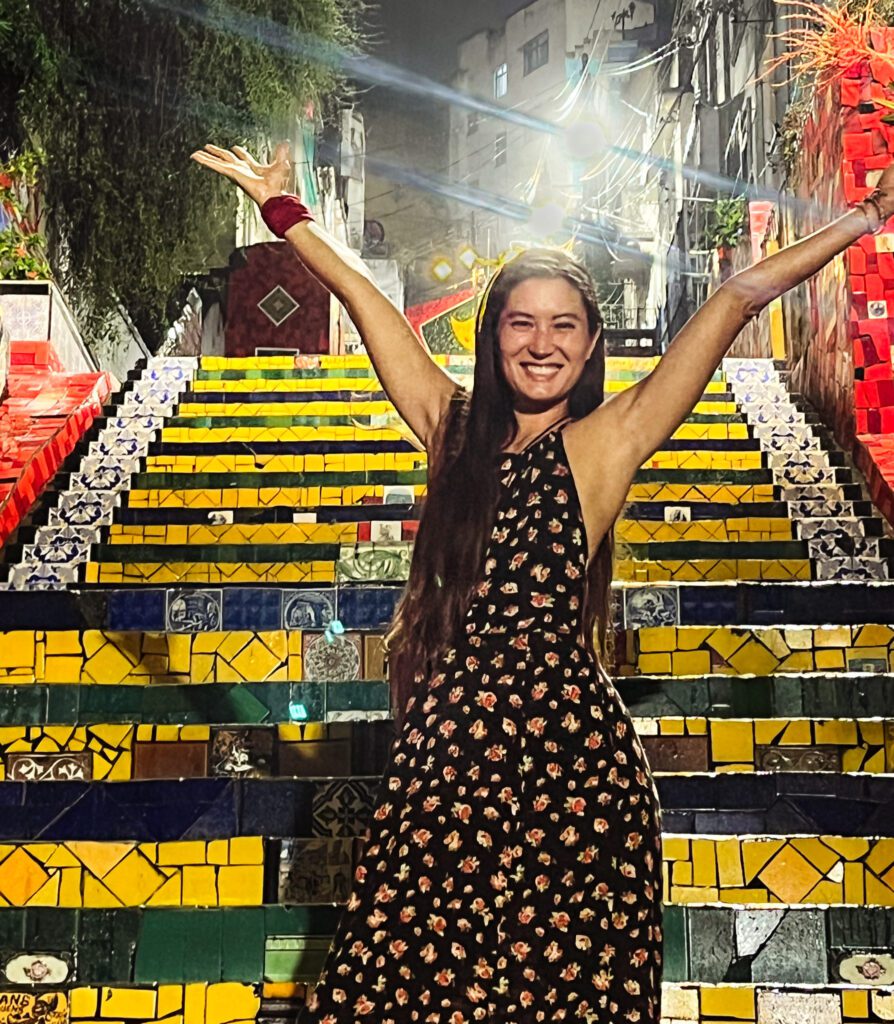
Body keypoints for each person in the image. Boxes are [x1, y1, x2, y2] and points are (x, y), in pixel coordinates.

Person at [192, 141, 894, 1023]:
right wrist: (284, 210)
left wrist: (866, 218)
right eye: (522, 322)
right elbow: (366, 302)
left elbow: (737, 296)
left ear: (593, 342)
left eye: (565, 325)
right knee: (407, 979)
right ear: (492, 337)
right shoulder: (451, 432)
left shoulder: (604, 444)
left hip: (573, 771)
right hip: (447, 758)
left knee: (559, 996)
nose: (542, 343)